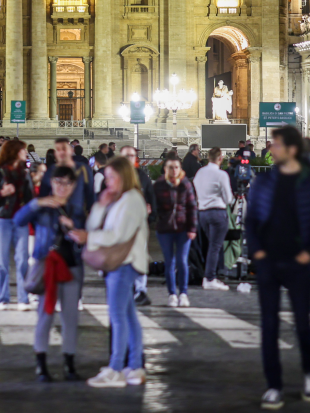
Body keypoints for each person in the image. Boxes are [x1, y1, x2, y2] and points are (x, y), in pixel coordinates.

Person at [244, 126, 310, 409]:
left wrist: (309, 254)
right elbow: (251, 221)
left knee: (302, 323)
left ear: (292, 149)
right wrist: (257, 252)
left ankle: (309, 372)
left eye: (275, 145)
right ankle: (273, 385)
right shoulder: (264, 182)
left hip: (299, 262)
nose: (270, 149)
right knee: (269, 325)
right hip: (269, 261)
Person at [79, 156, 150, 388]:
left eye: (111, 177)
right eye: (106, 176)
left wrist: (88, 238)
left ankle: (117, 368)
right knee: (128, 315)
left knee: (117, 316)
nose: (107, 181)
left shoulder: (131, 200)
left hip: (124, 263)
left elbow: (116, 235)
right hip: (121, 263)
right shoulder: (120, 198)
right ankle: (135, 367)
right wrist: (101, 204)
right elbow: (94, 225)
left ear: (124, 176)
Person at [13, 165, 87, 382]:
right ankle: (41, 365)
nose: (62, 187)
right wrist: (37, 202)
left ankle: (69, 365)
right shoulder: (43, 207)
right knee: (44, 316)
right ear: (51, 183)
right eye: (58, 182)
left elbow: (86, 236)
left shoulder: (77, 210)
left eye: (67, 183)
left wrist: (76, 228)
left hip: (72, 267)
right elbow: (18, 220)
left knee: (70, 318)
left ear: (73, 186)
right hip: (47, 268)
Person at [0, 139, 33, 310]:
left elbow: (30, 199)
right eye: (23, 150)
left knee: (22, 260)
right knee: (2, 262)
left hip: (20, 220)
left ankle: (23, 298)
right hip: (1, 220)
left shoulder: (25, 173)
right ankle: (3, 298)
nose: (25, 153)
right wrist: (1, 193)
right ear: (15, 152)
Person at [153, 158, 198, 307]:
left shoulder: (185, 184)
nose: (174, 171)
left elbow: (192, 207)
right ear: (165, 169)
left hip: (183, 227)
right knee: (169, 261)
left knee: (182, 260)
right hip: (165, 228)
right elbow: (154, 206)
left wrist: (192, 228)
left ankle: (183, 293)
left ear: (180, 169)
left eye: (176, 167)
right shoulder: (159, 185)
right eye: (171, 167)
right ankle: (172, 294)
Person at [193, 148, 234, 290]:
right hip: (217, 212)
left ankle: (207, 274)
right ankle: (210, 278)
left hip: (202, 213)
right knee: (215, 247)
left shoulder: (200, 173)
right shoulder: (221, 174)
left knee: (208, 245)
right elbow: (228, 198)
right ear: (220, 158)